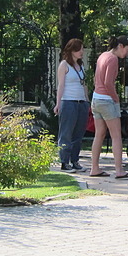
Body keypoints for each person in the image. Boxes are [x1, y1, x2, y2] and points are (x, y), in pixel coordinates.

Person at [90, 36, 128, 178]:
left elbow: (97, 79)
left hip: (96, 98)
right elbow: (108, 83)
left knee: (99, 134)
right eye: (127, 49)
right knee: (116, 136)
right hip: (107, 100)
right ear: (121, 46)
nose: (127, 54)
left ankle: (94, 168)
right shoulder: (113, 59)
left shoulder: (103, 55)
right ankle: (119, 170)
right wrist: (116, 99)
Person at [54, 38, 89, 172]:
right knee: (66, 133)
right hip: (68, 101)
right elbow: (61, 85)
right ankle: (64, 161)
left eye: (82, 49)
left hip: (81, 103)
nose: (81, 52)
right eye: (78, 49)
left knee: (78, 134)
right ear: (71, 50)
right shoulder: (64, 65)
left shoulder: (81, 65)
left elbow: (84, 84)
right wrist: (58, 104)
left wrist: (87, 101)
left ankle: (75, 160)